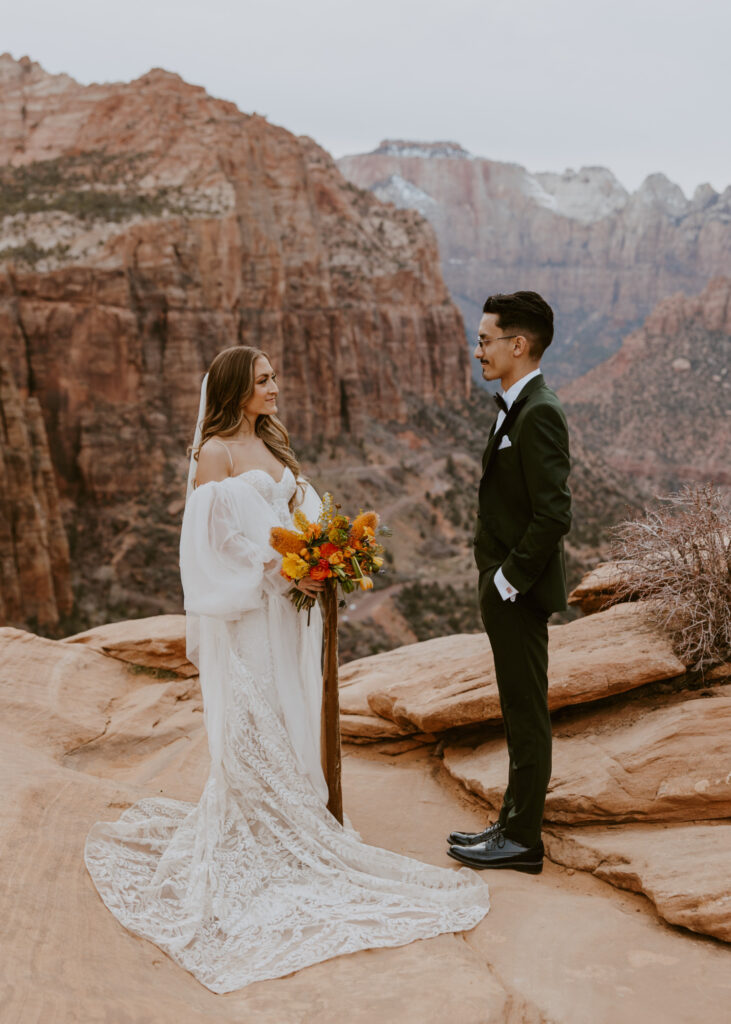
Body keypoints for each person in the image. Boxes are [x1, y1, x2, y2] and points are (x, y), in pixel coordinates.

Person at [84, 345, 490, 994]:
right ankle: (263, 829)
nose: (276, 387)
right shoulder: (215, 452)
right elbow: (207, 543)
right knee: (254, 713)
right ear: (237, 388)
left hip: (289, 610)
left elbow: (295, 515)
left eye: (275, 377)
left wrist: (325, 551)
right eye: (265, 379)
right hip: (250, 613)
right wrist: (275, 567)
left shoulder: (272, 446)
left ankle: (297, 814)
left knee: (289, 707)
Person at [447, 292, 571, 875]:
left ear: (517, 345)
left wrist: (505, 580)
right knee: (517, 708)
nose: (477, 352)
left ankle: (522, 841)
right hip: (503, 587)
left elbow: (554, 514)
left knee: (526, 714)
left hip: (517, 592)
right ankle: (511, 822)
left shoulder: (540, 410)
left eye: (484, 340)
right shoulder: (516, 404)